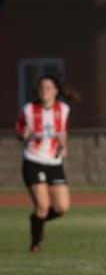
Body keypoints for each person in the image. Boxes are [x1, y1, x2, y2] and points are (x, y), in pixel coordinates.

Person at [14, 74, 72, 253]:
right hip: (33, 160)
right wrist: (25, 134)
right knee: (42, 206)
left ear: (55, 91)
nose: (44, 91)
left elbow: (63, 131)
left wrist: (64, 147)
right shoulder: (30, 110)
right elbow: (19, 131)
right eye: (41, 88)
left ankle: (36, 221)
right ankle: (35, 243)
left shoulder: (63, 109)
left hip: (54, 162)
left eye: (48, 88)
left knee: (62, 207)